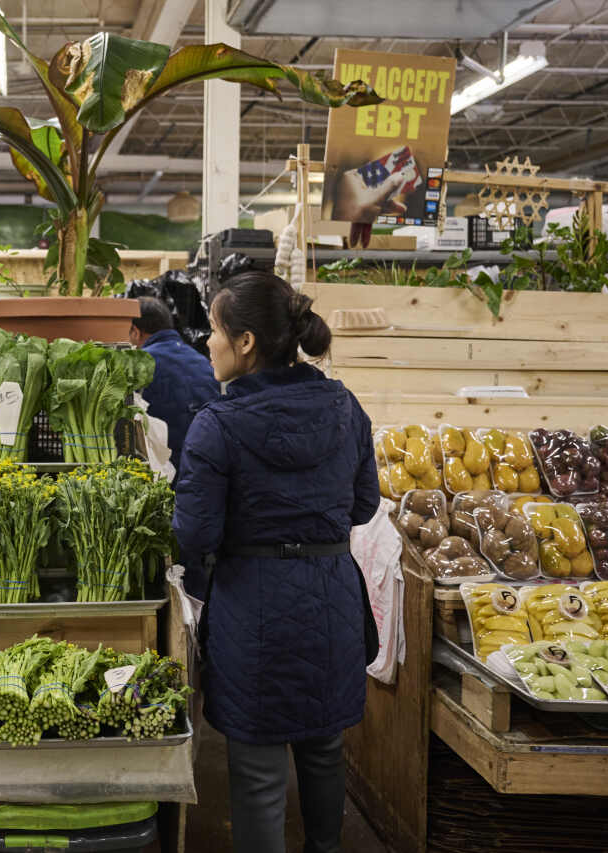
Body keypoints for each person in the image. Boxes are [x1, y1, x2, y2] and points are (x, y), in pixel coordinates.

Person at [172, 271, 379, 853]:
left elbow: (195, 532)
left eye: (215, 330)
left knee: (260, 768)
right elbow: (364, 505)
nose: (207, 342)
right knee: (324, 747)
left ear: (245, 343)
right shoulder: (344, 406)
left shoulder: (218, 424)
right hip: (332, 598)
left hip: (253, 607)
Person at [128, 296, 220, 475]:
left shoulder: (140, 364)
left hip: (167, 473)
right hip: (206, 466)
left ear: (135, 332)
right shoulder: (202, 361)